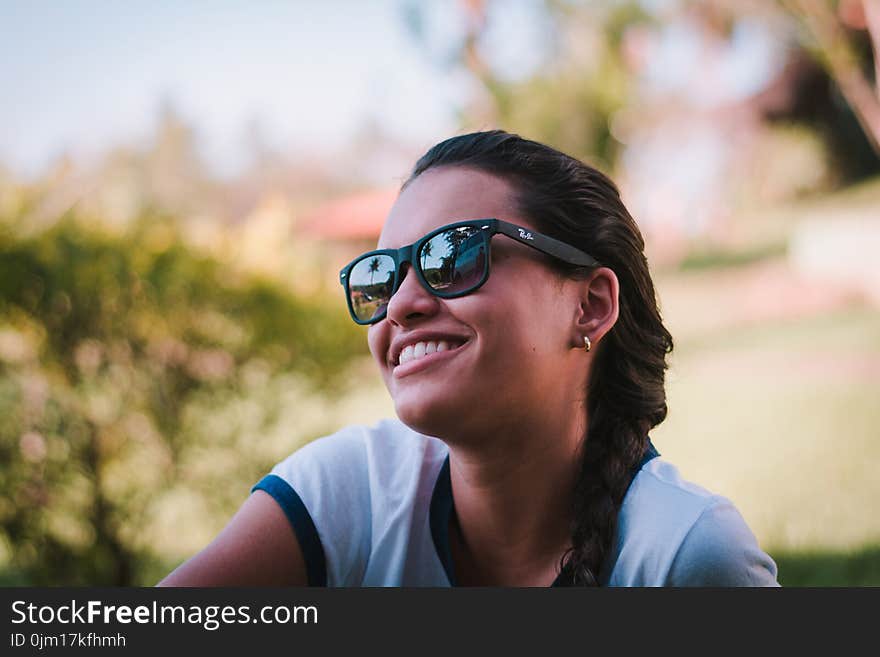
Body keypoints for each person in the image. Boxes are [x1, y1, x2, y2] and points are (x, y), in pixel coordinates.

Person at [159, 130, 779, 587]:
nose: (399, 305)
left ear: (589, 305)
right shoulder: (347, 495)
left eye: (452, 257)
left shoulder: (685, 557)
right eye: (381, 276)